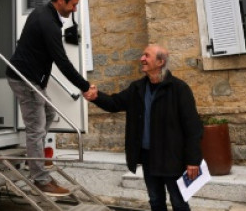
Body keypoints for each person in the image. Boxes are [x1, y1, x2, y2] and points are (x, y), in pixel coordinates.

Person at [84, 44, 203, 211]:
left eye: (147, 56)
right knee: (155, 201)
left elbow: (193, 127)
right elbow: (114, 103)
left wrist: (193, 160)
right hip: (149, 157)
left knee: (179, 203)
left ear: (160, 62)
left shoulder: (179, 89)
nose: (142, 59)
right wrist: (96, 96)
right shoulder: (137, 88)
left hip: (172, 158)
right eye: (142, 55)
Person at [7, 0, 95, 197]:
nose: (74, 9)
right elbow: (62, 62)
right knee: (36, 128)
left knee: (48, 113)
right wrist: (85, 86)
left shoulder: (45, 14)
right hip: (24, 79)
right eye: (73, 5)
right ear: (61, 0)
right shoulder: (48, 22)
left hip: (32, 79)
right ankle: (40, 179)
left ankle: (33, 157)